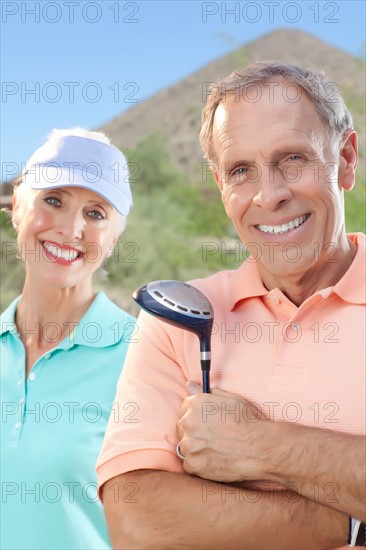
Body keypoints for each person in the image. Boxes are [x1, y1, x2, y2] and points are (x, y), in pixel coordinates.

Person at [97, 62, 365, 548]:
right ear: (222, 187)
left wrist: (262, 447)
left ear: (346, 159)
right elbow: (136, 519)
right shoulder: (174, 317)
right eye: (241, 170)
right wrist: (347, 520)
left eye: (292, 160)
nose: (270, 195)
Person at [0, 127, 136, 549]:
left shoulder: (144, 357)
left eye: (96, 214)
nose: (70, 228)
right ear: (17, 208)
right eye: (53, 201)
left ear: (112, 239)